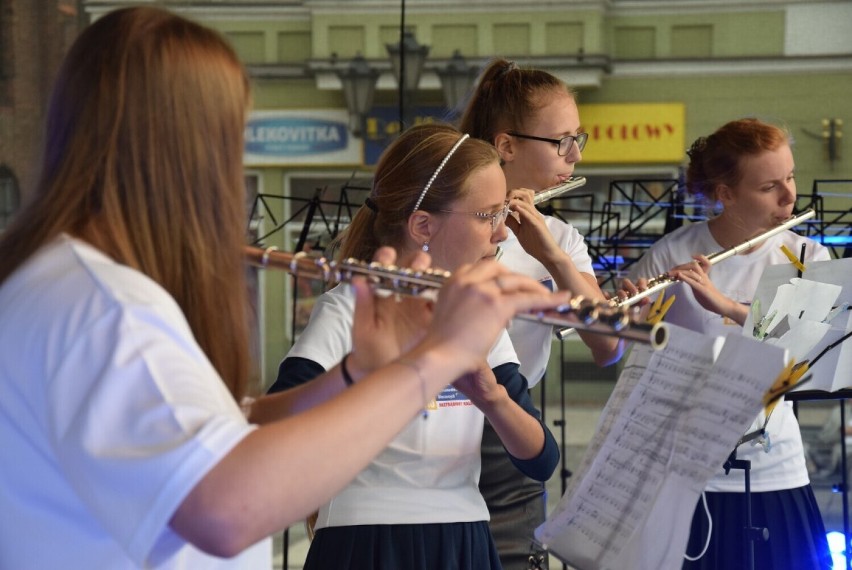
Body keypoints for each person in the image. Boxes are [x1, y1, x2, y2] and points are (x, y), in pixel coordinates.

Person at [0, 8, 572, 569]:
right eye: (228, 141)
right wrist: (435, 356)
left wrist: (354, 377)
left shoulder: (65, 282)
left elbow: (227, 425)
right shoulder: (105, 307)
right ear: (177, 153)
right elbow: (225, 510)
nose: (228, 175)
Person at [268, 123, 561, 569]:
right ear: (423, 224)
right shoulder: (349, 309)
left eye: (503, 213)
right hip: (366, 542)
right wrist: (362, 378)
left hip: (463, 539)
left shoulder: (477, 314)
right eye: (488, 216)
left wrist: (491, 396)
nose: (502, 234)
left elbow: (541, 462)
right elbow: (274, 438)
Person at [622, 118, 832, 569]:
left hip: (776, 467)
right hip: (686, 471)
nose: (789, 197)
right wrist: (629, 322)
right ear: (725, 194)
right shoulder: (671, 255)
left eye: (790, 177)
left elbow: (808, 360)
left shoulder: (809, 257)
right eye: (769, 186)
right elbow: (632, 360)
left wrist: (725, 305)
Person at [458, 57, 623, 568]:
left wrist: (550, 254)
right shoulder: (449, 221)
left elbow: (607, 347)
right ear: (506, 145)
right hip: (433, 420)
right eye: (559, 141)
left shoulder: (561, 238)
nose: (573, 154)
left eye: (578, 138)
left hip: (511, 433)